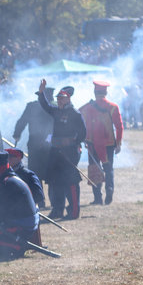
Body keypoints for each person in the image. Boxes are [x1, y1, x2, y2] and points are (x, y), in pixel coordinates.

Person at [36, 81, 86, 220]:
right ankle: (58, 210)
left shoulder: (75, 114)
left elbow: (83, 133)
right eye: (58, 98)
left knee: (70, 181)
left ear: (68, 99)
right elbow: (45, 106)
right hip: (56, 151)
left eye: (61, 98)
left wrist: (72, 142)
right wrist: (41, 93)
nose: (59, 100)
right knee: (56, 181)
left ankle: (74, 211)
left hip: (69, 152)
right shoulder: (57, 111)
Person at [79, 80, 124, 205]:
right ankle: (109, 189)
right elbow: (120, 127)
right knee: (108, 169)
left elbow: (77, 116)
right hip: (108, 144)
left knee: (95, 169)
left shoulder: (87, 107)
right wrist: (119, 143)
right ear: (106, 92)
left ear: (95, 92)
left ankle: (97, 198)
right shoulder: (113, 107)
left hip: (92, 143)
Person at [12, 87, 55, 199]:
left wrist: (17, 133)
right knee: (36, 173)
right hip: (36, 143)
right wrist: (17, 133)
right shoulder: (32, 106)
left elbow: (55, 127)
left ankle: (52, 201)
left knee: (50, 173)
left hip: (50, 144)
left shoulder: (54, 108)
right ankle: (40, 199)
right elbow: (22, 121)